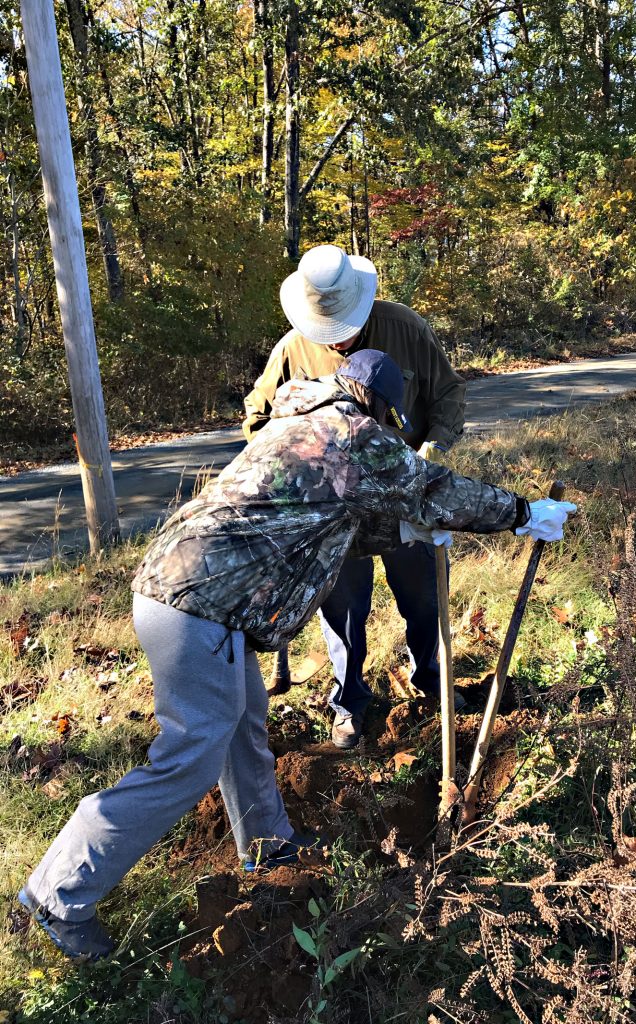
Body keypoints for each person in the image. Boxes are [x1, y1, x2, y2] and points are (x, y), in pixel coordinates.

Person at [17, 350, 576, 962]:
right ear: (378, 406)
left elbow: (324, 522)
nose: (391, 431)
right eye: (391, 420)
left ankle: (266, 843)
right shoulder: (351, 432)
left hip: (186, 591)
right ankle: (60, 891)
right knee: (190, 758)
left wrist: (407, 534)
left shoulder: (298, 426)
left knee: (241, 726)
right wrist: (523, 514)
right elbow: (433, 488)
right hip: (200, 605)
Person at [243, 243, 467, 748]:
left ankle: (429, 679)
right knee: (341, 608)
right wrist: (295, 468)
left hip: (403, 492)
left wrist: (433, 446)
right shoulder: (292, 350)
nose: (338, 342)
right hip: (333, 509)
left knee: (424, 595)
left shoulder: (407, 329)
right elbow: (256, 420)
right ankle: (349, 703)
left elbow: (449, 392)